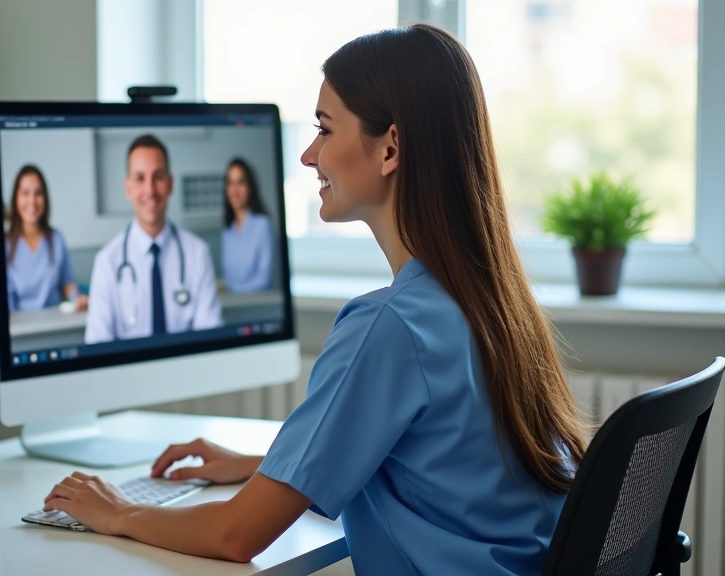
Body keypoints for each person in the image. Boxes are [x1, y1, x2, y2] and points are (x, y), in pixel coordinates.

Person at [42, 25, 586, 575]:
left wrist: (120, 511)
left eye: (324, 130)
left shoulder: (389, 325)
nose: (307, 155)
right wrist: (267, 469)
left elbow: (237, 536)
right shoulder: (490, 303)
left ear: (390, 147)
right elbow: (440, 466)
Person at [84, 134, 223, 343]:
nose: (150, 190)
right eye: (140, 178)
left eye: (158, 177)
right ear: (128, 188)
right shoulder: (107, 262)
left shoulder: (198, 253)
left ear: (170, 184)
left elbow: (211, 339)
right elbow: (98, 345)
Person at [6, 165, 87, 312]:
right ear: (16, 198)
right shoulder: (5, 245)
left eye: (38, 193)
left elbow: (67, 284)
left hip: (54, 323)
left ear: (45, 198)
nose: (32, 201)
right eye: (25, 193)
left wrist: (77, 298)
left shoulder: (57, 239)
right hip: (18, 327)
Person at [220, 157, 274, 293]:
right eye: (230, 183)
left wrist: (230, 289)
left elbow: (263, 281)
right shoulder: (228, 229)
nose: (234, 190)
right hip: (232, 305)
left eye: (240, 182)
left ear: (250, 187)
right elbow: (229, 277)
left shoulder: (262, 225)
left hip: (254, 305)